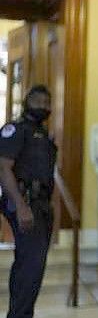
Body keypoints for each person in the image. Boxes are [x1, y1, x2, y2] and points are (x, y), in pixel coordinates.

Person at [0, 85, 57, 318]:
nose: (43, 107)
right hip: (25, 202)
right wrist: (21, 207)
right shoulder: (15, 130)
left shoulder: (44, 136)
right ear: (26, 103)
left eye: (47, 102)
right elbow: (4, 168)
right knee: (30, 266)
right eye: (38, 101)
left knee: (33, 265)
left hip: (42, 205)